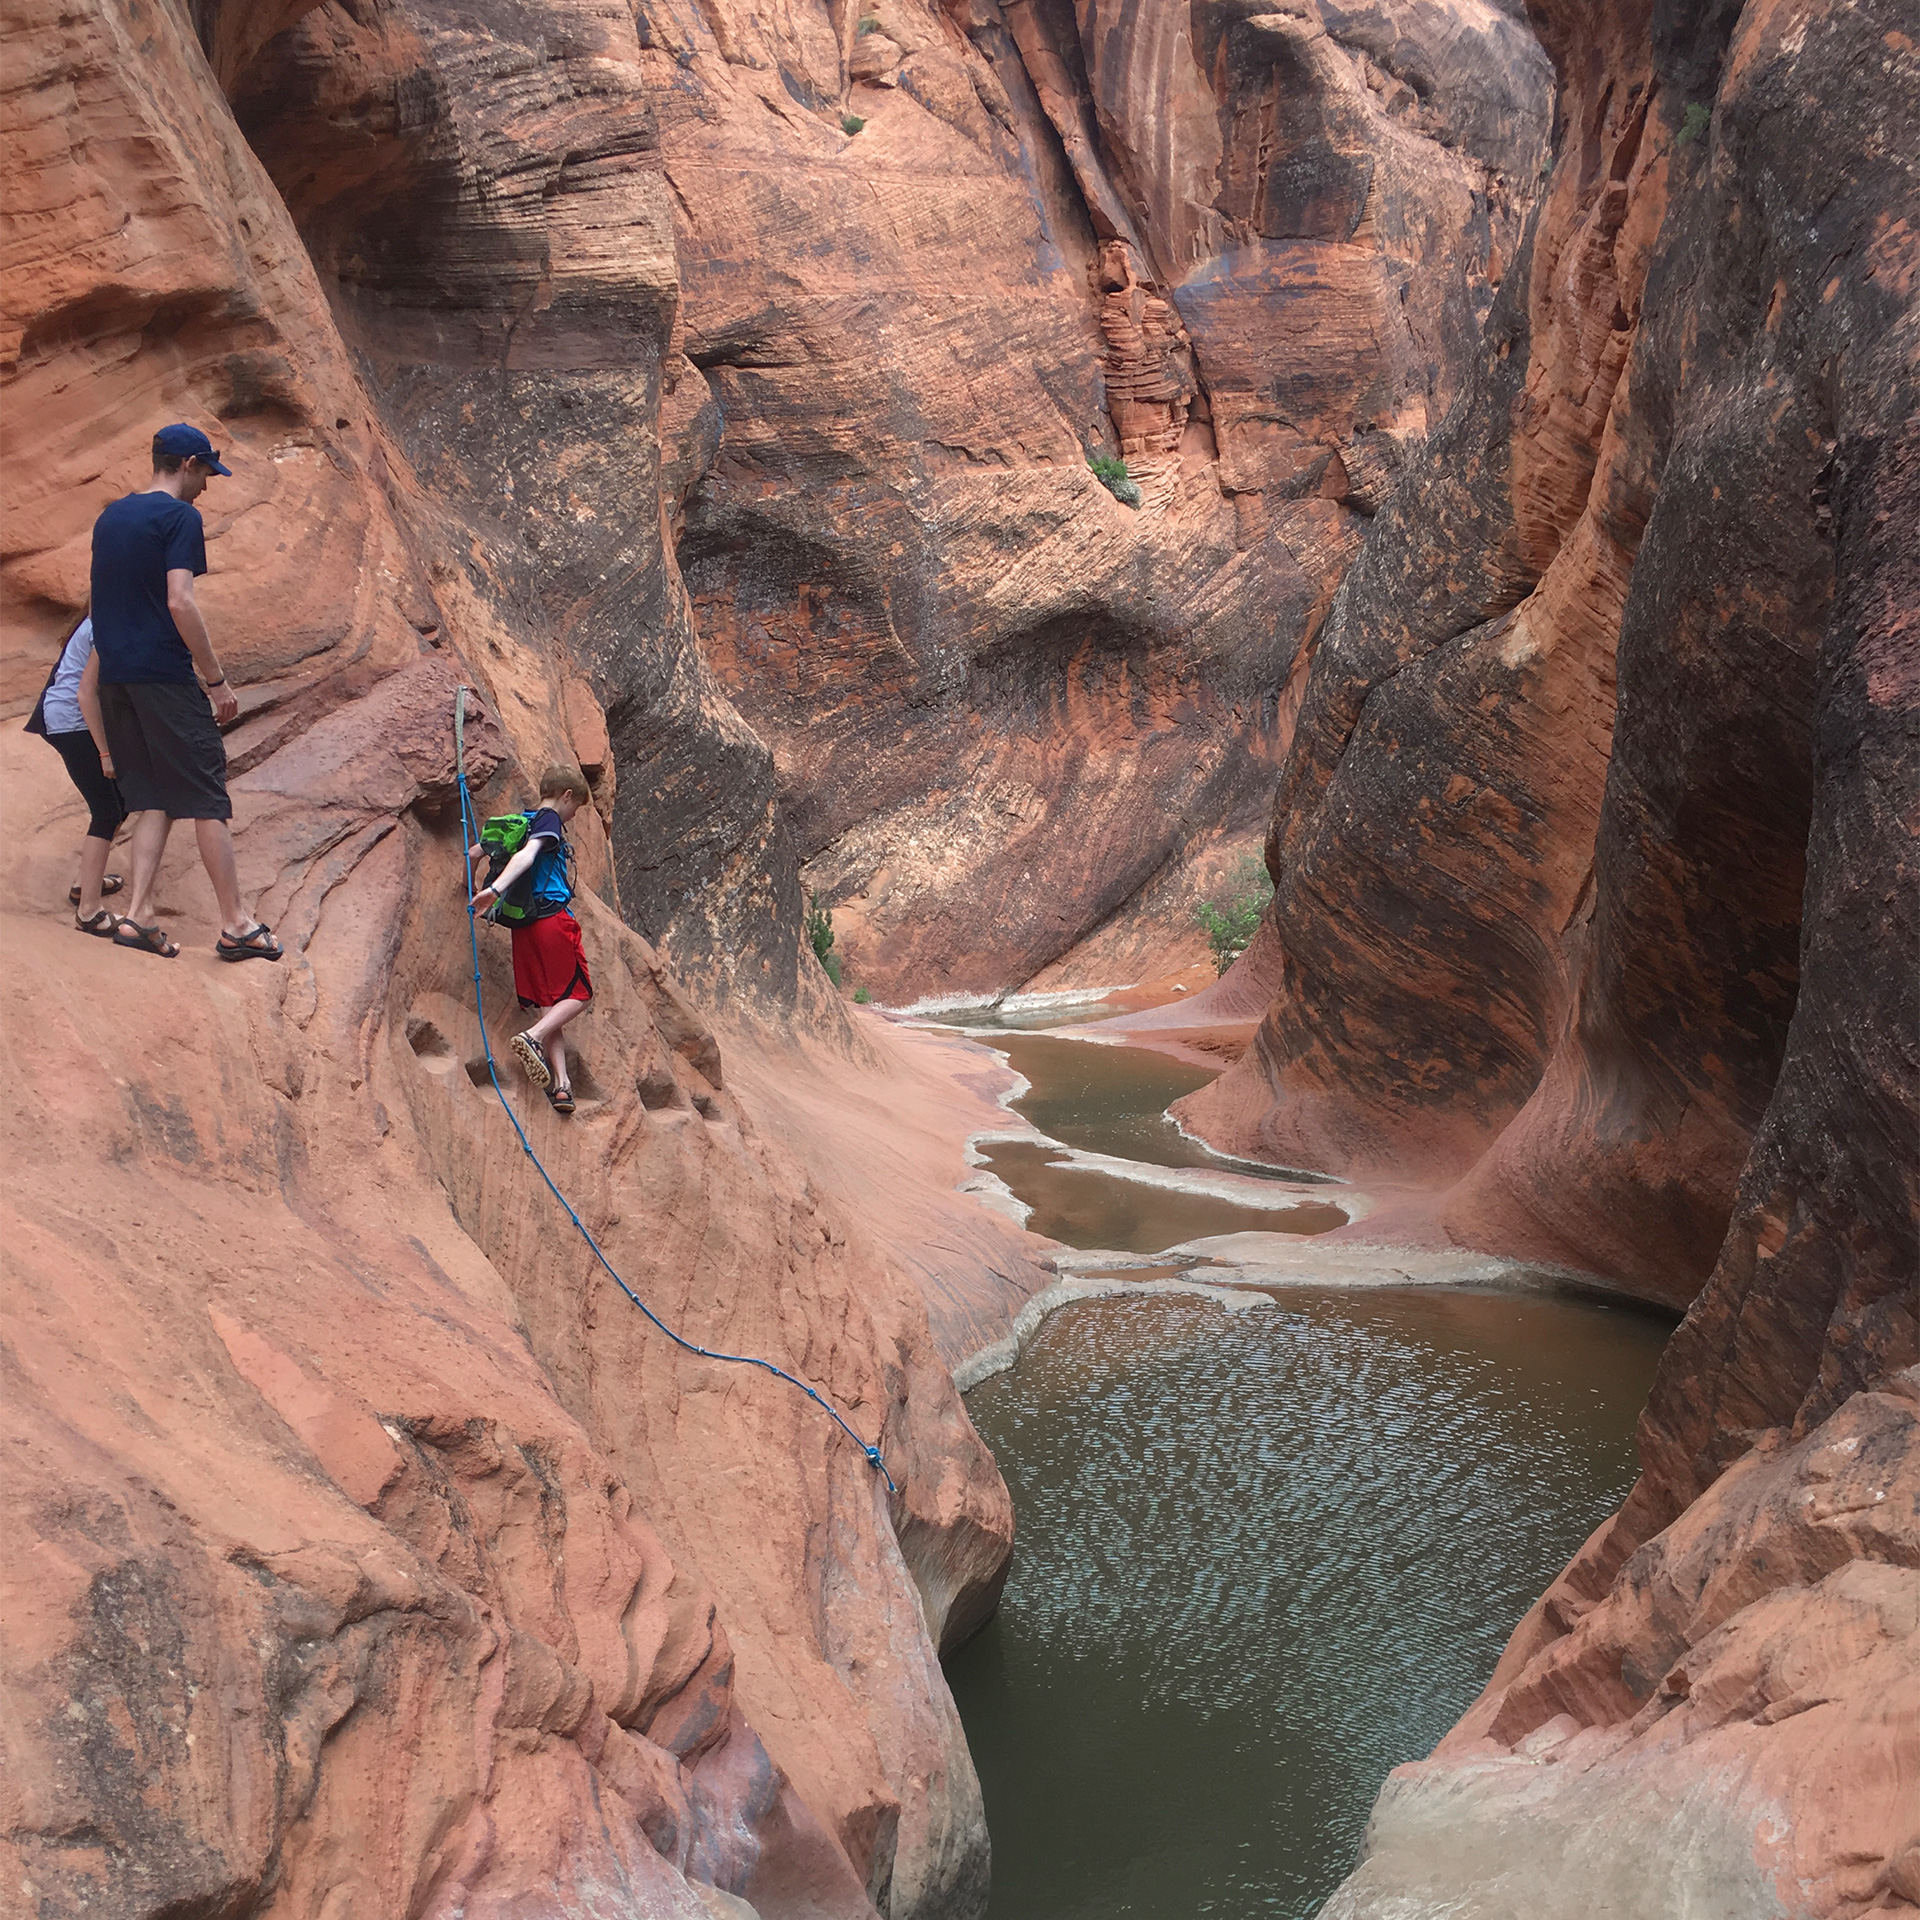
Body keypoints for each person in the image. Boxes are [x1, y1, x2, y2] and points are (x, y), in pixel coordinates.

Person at [89, 424, 281, 962]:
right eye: (206, 474)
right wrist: (215, 679)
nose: (208, 487)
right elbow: (180, 601)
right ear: (190, 463)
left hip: (116, 680)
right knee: (207, 798)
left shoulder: (112, 516)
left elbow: (100, 598)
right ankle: (237, 925)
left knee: (151, 796)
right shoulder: (180, 517)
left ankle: (138, 915)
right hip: (165, 677)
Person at [469, 766, 594, 1115]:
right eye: (576, 808)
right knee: (580, 995)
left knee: (550, 1004)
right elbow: (528, 855)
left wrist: (468, 886)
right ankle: (532, 1037)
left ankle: (562, 1086)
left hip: (523, 926)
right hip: (552, 919)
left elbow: (476, 852)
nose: (573, 816)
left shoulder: (518, 821)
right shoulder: (549, 819)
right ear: (566, 795)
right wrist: (493, 890)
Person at [25, 613, 128, 934]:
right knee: (108, 811)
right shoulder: (106, 624)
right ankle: (89, 912)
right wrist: (105, 753)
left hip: (71, 718)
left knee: (120, 802)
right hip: (71, 721)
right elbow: (85, 694)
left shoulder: (102, 618)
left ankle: (86, 884)